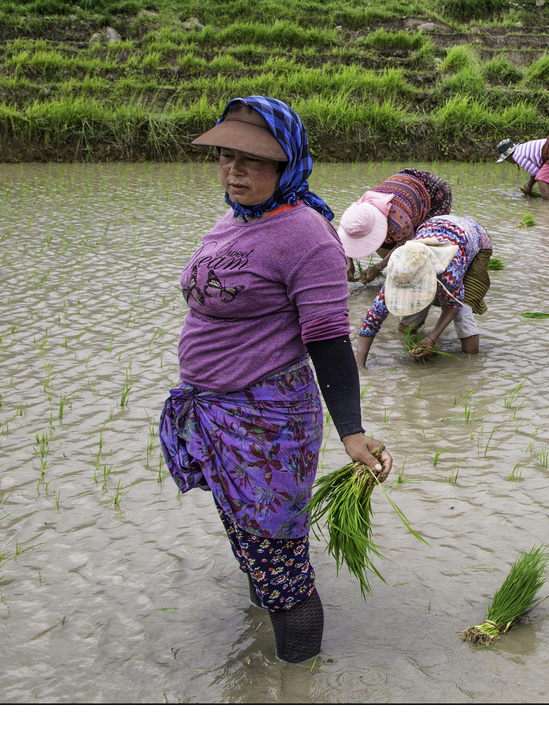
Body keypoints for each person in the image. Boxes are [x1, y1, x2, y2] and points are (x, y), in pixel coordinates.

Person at [158, 96, 393, 664]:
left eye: (253, 161)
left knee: (283, 572)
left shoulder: (306, 236)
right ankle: (265, 666)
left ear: (287, 165)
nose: (235, 171)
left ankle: (297, 694)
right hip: (215, 415)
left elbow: (329, 340)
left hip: (265, 425)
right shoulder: (235, 219)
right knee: (250, 548)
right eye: (226, 157)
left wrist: (353, 433)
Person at [354, 214, 492, 365]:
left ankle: (470, 365)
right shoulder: (400, 271)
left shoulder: (448, 271)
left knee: (463, 313)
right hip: (434, 228)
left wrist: (432, 337)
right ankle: (411, 338)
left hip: (472, 237)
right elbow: (373, 317)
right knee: (414, 306)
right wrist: (360, 365)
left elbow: (455, 305)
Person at [336, 168, 453, 282]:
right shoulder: (356, 213)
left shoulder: (400, 223)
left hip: (434, 192)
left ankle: (424, 279)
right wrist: (348, 262)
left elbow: (405, 246)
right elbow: (348, 237)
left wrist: (378, 267)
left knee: (420, 242)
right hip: (403, 185)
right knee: (388, 241)